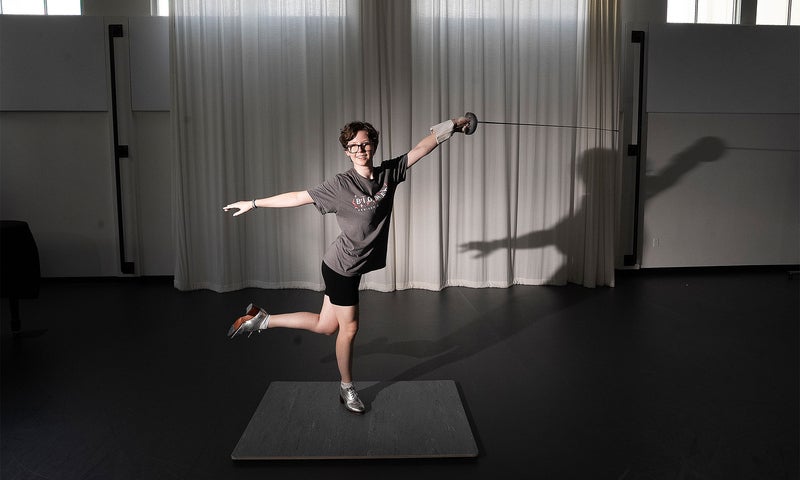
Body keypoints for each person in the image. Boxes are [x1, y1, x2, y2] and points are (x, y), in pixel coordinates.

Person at [222, 116, 472, 414]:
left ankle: (260, 319)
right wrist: (253, 203)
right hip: (341, 268)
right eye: (353, 146)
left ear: (373, 145)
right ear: (347, 152)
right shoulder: (340, 185)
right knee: (349, 329)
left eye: (365, 144)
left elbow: (422, 147)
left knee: (326, 326)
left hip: (347, 266)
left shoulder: (389, 173)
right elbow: (298, 197)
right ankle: (347, 387)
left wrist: (454, 125)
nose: (360, 149)